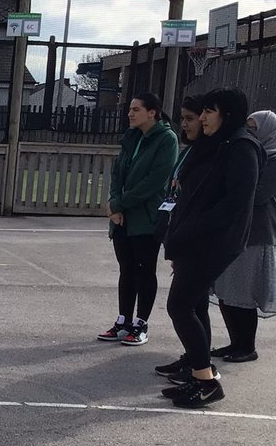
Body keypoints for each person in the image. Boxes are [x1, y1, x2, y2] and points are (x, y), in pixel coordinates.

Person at [161, 88, 262, 409]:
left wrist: (190, 231)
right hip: (193, 239)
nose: (202, 118)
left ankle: (206, 381)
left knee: (179, 305)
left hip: (213, 242)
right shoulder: (216, 145)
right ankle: (197, 372)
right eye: (201, 112)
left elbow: (234, 204)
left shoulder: (242, 148)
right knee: (195, 305)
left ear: (227, 114)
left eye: (209, 112)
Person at [97, 92, 178, 346]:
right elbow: (118, 173)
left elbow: (154, 182)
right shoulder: (131, 137)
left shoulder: (166, 139)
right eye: (130, 109)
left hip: (146, 217)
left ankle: (141, 323)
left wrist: (120, 203)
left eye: (136, 109)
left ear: (152, 112)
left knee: (144, 270)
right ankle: (123, 320)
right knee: (127, 269)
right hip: (123, 217)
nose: (130, 114)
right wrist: (115, 205)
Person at [153, 96, 215, 385]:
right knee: (195, 304)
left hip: (198, 242)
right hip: (180, 234)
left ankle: (202, 370)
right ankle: (193, 359)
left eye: (191, 118)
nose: (187, 124)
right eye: (185, 118)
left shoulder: (212, 154)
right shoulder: (190, 151)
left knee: (184, 306)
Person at [208, 109, 276, 362]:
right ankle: (234, 342)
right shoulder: (248, 154)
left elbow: (257, 194)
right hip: (234, 230)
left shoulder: (273, 159)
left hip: (257, 234)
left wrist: (234, 188)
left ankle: (247, 346)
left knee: (244, 294)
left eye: (254, 128)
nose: (250, 133)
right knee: (227, 291)